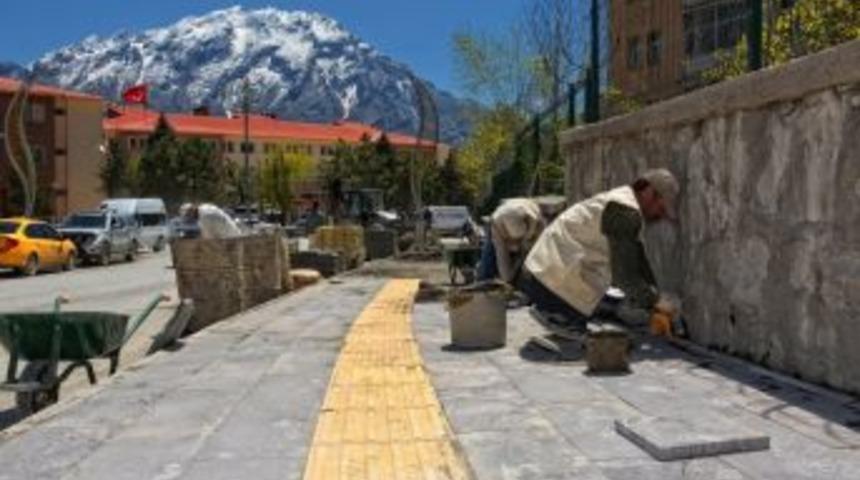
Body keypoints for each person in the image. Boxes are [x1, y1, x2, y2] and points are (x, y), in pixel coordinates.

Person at [522, 168, 679, 335]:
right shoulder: (625, 211)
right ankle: (558, 314)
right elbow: (624, 275)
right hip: (550, 280)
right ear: (648, 192)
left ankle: (558, 312)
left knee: (604, 301)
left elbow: (636, 259)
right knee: (585, 324)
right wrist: (654, 302)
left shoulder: (622, 203)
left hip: (540, 272)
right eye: (660, 208)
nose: (658, 216)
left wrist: (655, 297)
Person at [477, 198, 544, 285]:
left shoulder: (537, 224)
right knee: (487, 269)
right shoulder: (497, 228)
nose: (514, 245)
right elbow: (505, 273)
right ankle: (482, 286)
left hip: (525, 218)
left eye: (517, 240)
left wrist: (522, 256)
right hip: (499, 225)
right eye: (512, 240)